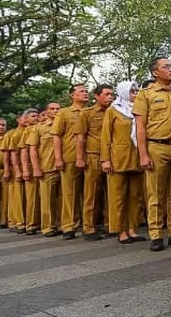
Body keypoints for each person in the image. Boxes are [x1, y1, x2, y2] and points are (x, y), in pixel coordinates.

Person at [133, 58, 171, 251]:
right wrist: (143, 154)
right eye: (166, 67)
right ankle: (156, 234)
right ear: (155, 72)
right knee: (156, 193)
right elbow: (140, 126)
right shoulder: (146, 95)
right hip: (156, 147)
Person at [101, 81, 145, 244]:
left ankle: (133, 229)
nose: (135, 94)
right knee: (118, 196)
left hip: (137, 157)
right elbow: (106, 136)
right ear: (124, 92)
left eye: (136, 91)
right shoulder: (113, 110)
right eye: (132, 91)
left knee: (135, 196)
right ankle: (121, 231)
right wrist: (105, 159)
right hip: (117, 158)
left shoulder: (140, 109)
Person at [75, 84, 115, 241]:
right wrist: (80, 158)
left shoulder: (115, 111)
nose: (109, 97)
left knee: (111, 192)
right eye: (106, 94)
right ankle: (89, 227)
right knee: (91, 193)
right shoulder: (87, 113)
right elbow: (80, 137)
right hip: (94, 156)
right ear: (97, 96)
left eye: (111, 94)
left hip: (113, 156)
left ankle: (110, 225)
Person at [52, 84, 89, 240]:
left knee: (89, 193)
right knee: (70, 193)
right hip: (70, 157)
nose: (85, 94)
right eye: (81, 92)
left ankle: (89, 225)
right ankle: (69, 226)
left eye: (86, 91)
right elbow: (56, 136)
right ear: (72, 96)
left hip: (90, 156)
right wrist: (58, 158)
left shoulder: (91, 111)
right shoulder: (64, 113)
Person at [27, 102, 62, 237]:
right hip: (47, 167)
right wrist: (36, 168)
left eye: (58, 108)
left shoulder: (65, 125)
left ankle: (61, 225)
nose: (55, 111)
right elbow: (32, 149)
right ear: (46, 111)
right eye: (52, 109)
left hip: (65, 167)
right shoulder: (38, 128)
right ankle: (48, 227)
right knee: (47, 200)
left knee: (63, 199)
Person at [18, 109, 40, 234]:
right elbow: (23, 152)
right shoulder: (26, 132)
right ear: (25, 119)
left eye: (37, 116)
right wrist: (26, 169)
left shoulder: (41, 128)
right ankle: (30, 225)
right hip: (32, 166)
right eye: (32, 116)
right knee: (32, 197)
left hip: (45, 164)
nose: (36, 118)